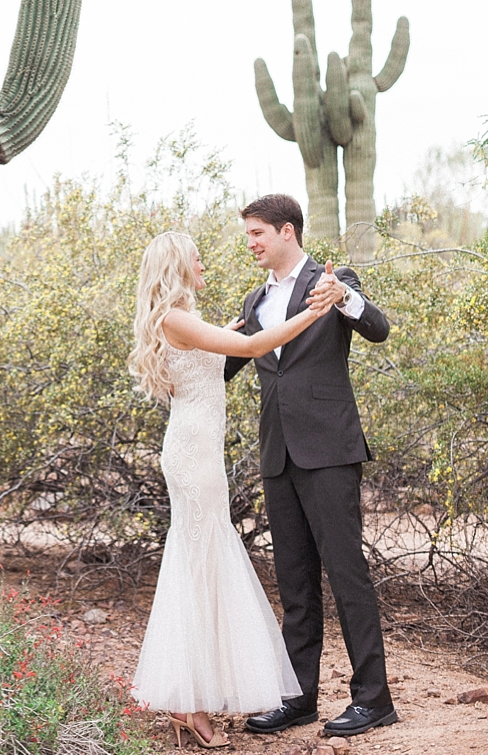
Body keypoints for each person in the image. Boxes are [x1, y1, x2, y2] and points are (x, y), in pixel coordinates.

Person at [128, 230, 337, 749]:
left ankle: (192, 697)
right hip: (193, 457)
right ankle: (188, 702)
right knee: (199, 565)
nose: (204, 269)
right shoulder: (177, 319)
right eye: (196, 262)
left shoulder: (180, 322)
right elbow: (246, 348)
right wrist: (313, 312)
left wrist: (229, 328)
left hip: (196, 454)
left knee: (201, 563)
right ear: (178, 268)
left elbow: (214, 355)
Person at [227, 194, 397, 739]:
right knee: (295, 583)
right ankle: (298, 696)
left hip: (330, 453)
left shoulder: (332, 279)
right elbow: (224, 365)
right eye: (248, 234)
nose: (250, 242)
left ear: (286, 232)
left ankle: (374, 699)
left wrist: (344, 296)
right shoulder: (255, 301)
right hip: (278, 456)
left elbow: (377, 327)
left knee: (348, 577)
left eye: (257, 233)